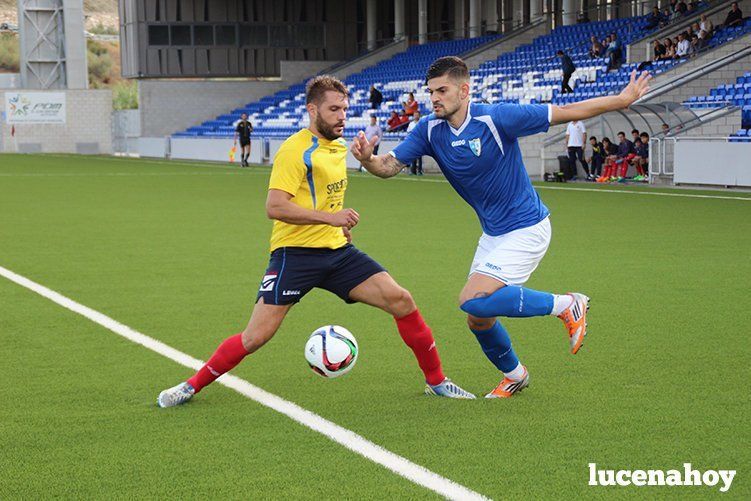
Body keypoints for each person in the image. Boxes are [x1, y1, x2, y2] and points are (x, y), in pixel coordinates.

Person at [157, 75, 475, 407]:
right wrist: (331, 218)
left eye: (345, 109)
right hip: (295, 256)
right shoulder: (294, 150)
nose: (342, 116)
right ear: (312, 109)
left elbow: (325, 200)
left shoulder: (339, 146)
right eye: (334, 109)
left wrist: (341, 226)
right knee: (255, 337)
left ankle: (437, 381)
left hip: (338, 253)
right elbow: (275, 207)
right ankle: (191, 385)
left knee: (402, 301)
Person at [351, 56, 652, 398]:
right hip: (494, 234)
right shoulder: (429, 130)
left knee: (473, 300)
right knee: (478, 318)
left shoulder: (497, 118)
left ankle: (567, 304)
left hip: (527, 227)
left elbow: (567, 111)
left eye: (442, 90)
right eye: (430, 91)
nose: (434, 98)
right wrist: (367, 160)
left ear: (465, 91)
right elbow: (388, 167)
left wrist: (622, 100)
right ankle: (515, 374)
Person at [406, 110, 423, 175]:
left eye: (417, 115)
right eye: (415, 115)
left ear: (419, 115)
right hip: (413, 142)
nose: (416, 116)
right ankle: (413, 171)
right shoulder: (411, 124)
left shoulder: (421, 123)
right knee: (413, 157)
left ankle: (419, 171)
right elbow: (408, 132)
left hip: (420, 142)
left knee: (419, 157)